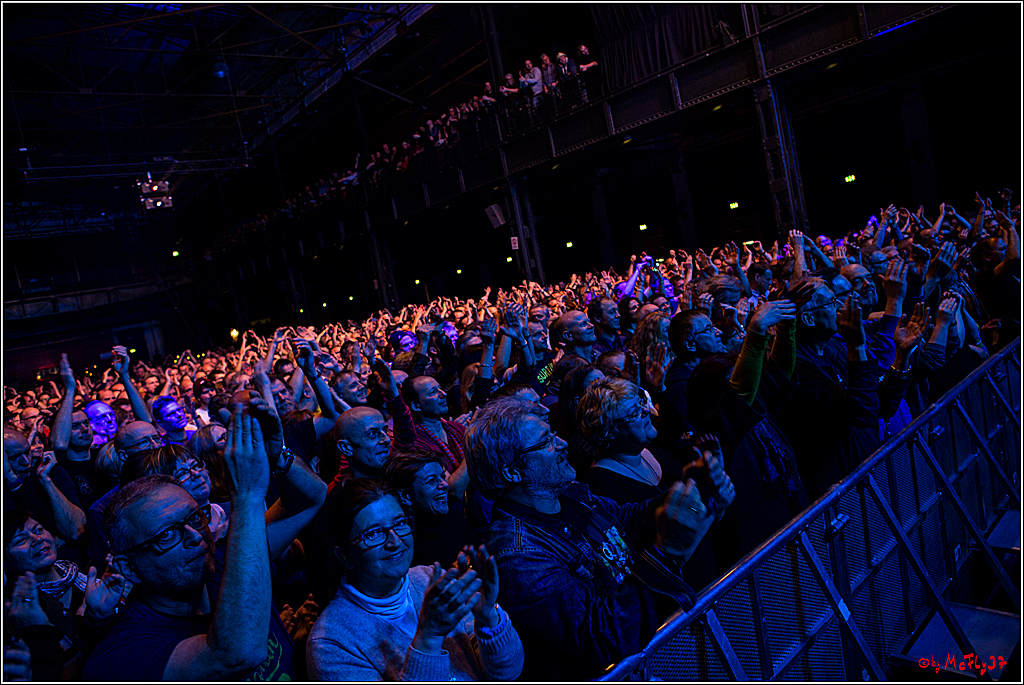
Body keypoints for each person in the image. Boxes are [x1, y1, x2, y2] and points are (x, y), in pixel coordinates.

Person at [464, 395, 733, 679]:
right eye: (546, 442)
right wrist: (666, 549)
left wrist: (684, 493)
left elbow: (627, 520)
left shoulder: (569, 493)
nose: (563, 443)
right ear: (511, 471)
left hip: (660, 652)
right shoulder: (517, 555)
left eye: (553, 433)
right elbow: (602, 635)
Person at [84, 401, 326, 681]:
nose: (195, 537)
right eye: (167, 534)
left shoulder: (223, 560)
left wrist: (277, 457)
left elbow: (311, 498)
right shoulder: (122, 655)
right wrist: (246, 497)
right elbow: (236, 655)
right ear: (127, 567)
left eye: (196, 518)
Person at [306, 478, 524, 680]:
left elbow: (507, 672)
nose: (395, 541)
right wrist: (428, 637)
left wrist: (489, 619)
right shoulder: (331, 643)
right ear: (344, 556)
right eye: (373, 533)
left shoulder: (428, 578)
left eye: (399, 523)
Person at [384, 449, 477, 568]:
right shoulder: (402, 541)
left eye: (442, 477)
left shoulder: (457, 522)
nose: (445, 484)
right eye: (431, 481)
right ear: (405, 496)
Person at [4, 429, 87, 561]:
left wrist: (46, 481)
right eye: (13, 458)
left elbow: (75, 531)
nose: (26, 461)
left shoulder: (49, 472)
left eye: (27, 452)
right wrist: (12, 481)